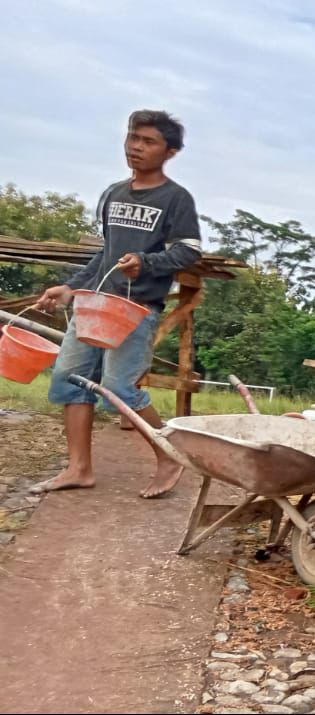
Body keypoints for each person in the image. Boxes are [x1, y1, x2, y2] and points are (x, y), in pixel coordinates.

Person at [31, 110, 203, 498]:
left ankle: (168, 456)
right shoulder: (113, 193)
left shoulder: (175, 199)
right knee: (69, 380)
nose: (136, 147)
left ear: (170, 151)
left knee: (119, 387)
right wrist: (70, 289)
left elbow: (188, 252)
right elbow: (106, 255)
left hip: (135, 308)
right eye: (132, 137)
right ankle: (79, 469)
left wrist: (148, 262)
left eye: (148, 141)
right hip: (93, 306)